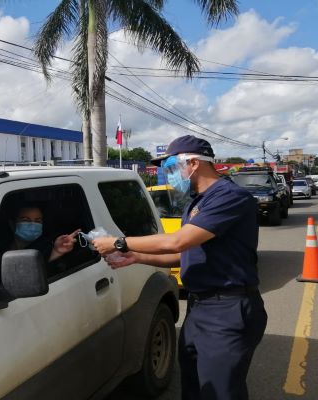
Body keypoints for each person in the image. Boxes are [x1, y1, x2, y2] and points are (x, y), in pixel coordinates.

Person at [92, 135, 267, 400]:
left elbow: (177, 241)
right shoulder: (198, 202)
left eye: (171, 167)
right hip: (200, 307)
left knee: (220, 392)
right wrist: (137, 257)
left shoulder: (229, 197)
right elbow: (185, 254)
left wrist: (119, 243)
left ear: (194, 163)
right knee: (194, 386)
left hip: (228, 309)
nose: (167, 173)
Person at [7, 203, 79, 263]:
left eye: (37, 221)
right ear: (12, 224)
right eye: (26, 220)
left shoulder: (45, 247)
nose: (33, 225)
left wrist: (56, 251)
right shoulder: (1, 252)